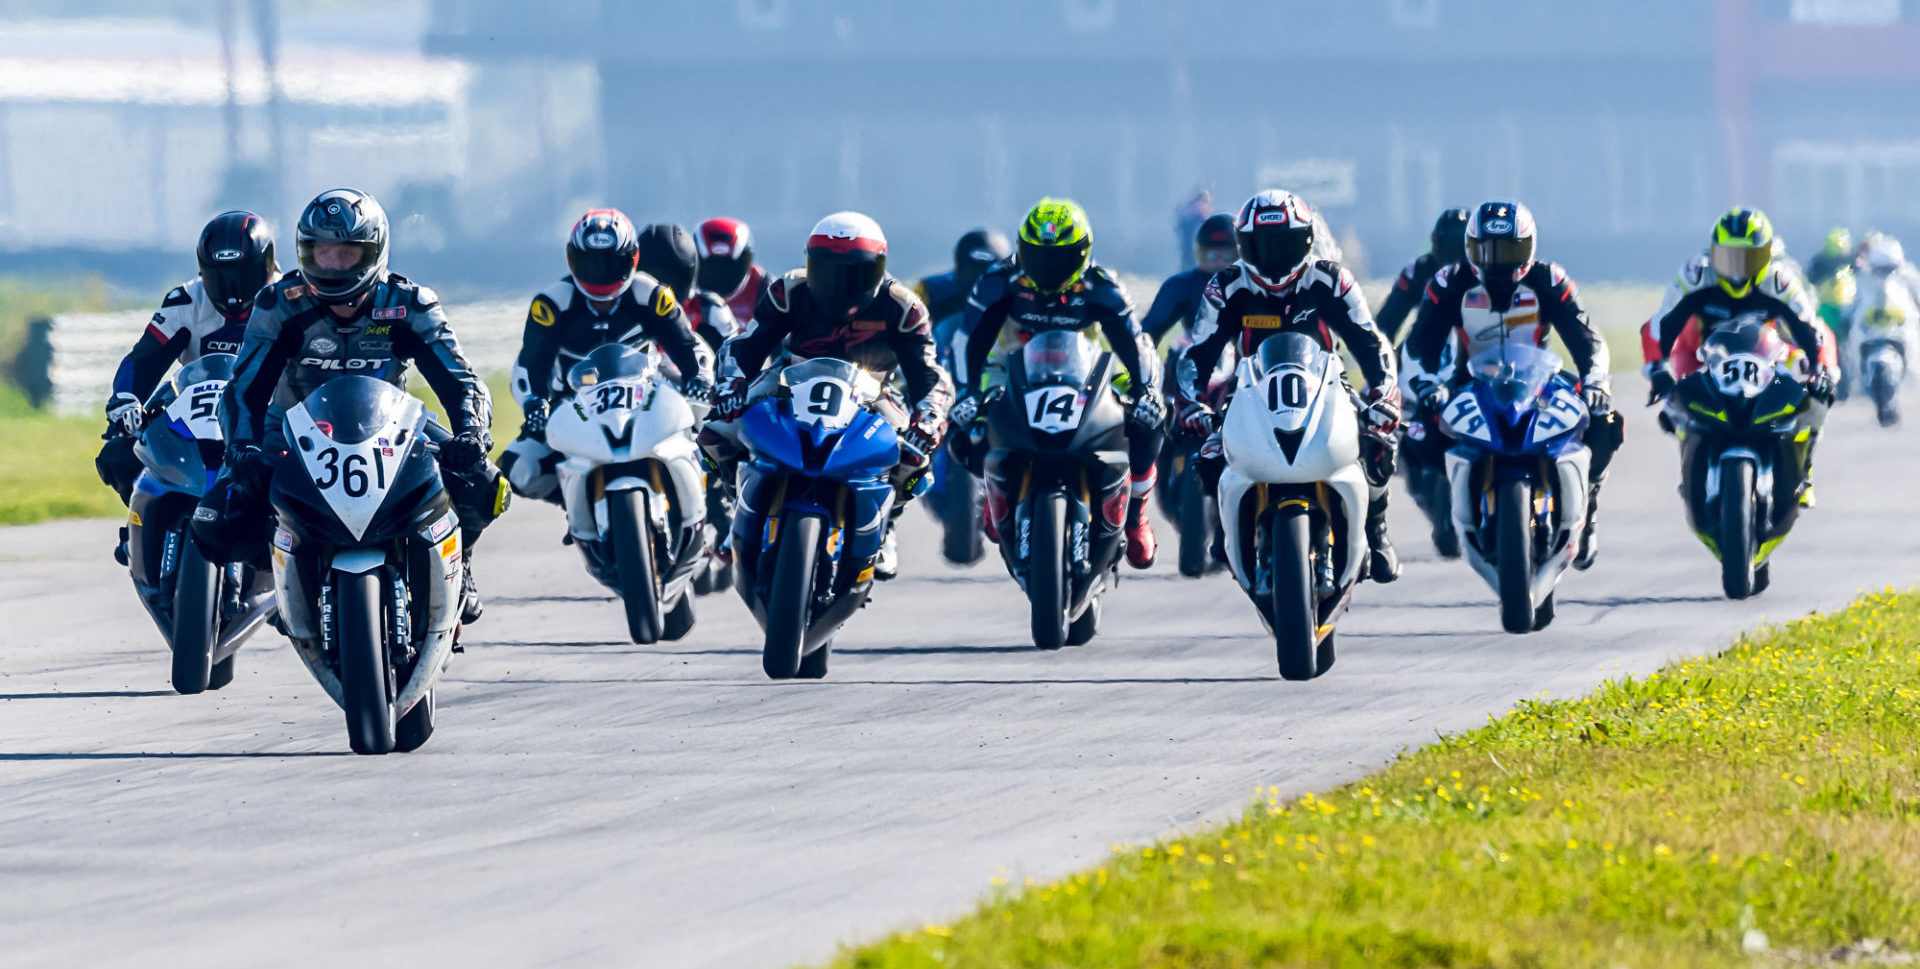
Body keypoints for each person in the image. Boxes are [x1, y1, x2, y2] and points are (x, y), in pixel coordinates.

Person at [189, 188, 505, 623]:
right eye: (322, 253)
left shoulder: (408, 304)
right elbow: (244, 389)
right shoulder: (279, 305)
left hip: (390, 423)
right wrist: (241, 447)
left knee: (485, 483)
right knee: (217, 515)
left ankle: (461, 561)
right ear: (304, 253)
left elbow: (459, 379)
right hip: (292, 427)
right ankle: (288, 573)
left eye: (346, 254)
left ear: (374, 252)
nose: (333, 265)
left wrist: (471, 431)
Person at [703, 211, 953, 581]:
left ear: (878, 268)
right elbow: (747, 346)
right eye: (828, 271)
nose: (839, 285)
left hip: (872, 391)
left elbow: (928, 374)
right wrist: (731, 386)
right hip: (790, 377)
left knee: (914, 459)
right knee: (714, 434)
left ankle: (885, 525)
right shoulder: (788, 291)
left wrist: (928, 419)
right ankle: (737, 502)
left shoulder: (903, 306)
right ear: (810, 265)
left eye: (853, 274)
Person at [1174, 189, 1404, 582]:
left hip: (1327, 384)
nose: (1274, 255)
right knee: (1210, 454)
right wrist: (1192, 404)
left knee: (1379, 440)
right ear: (1244, 245)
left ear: (1307, 241)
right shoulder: (1226, 287)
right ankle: (1228, 533)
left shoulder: (1331, 279)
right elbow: (1198, 354)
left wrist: (1383, 393)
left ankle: (1376, 531)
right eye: (1262, 245)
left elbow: (1370, 342)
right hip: (1249, 390)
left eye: (1284, 243)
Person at [951, 197, 1169, 568]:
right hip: (1010, 365)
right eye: (1038, 257)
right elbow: (967, 341)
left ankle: (1135, 516)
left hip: (1091, 366)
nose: (1048, 269)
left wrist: (1146, 390)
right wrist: (966, 393)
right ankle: (993, 491)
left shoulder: (1102, 284)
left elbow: (1135, 343)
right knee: (963, 426)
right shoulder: (998, 281)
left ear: (1083, 254)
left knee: (1151, 420)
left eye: (1060, 258)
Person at [1401, 201, 1618, 568]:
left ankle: (1590, 505)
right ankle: (1454, 505)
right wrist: (1426, 386)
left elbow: (1587, 339)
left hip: (1541, 382)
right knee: (1419, 434)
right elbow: (1418, 345)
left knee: (1605, 421)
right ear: (1470, 249)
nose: (1498, 262)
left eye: (1509, 251)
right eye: (1487, 251)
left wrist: (1595, 381)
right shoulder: (1448, 283)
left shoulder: (1551, 280)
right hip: (1468, 383)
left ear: (1529, 248)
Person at [498, 211, 713, 507]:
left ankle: (702, 505)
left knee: (711, 438)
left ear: (632, 260)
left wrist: (697, 379)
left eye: (611, 264)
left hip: (645, 401)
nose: (600, 274)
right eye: (590, 264)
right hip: (572, 408)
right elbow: (529, 366)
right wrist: (535, 403)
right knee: (518, 469)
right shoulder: (552, 303)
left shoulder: (649, 293)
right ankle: (577, 498)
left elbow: (687, 345)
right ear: (573, 260)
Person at [1643, 208, 1835, 505]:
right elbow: (1659, 326)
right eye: (1727, 257)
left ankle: (1803, 471)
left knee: (1817, 391)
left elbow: (1812, 331)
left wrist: (1820, 370)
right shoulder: (1696, 276)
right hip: (1708, 357)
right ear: (1713, 253)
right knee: (1671, 401)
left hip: (1768, 355)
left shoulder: (1780, 282)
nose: (1736, 270)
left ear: (1765, 258)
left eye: (1747, 259)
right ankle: (1692, 463)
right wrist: (1658, 367)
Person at [95, 211, 279, 516]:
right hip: (194, 405)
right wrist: (127, 400)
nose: (233, 290)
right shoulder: (186, 300)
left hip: (263, 411)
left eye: (242, 276)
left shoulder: (287, 298)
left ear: (267, 266)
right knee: (118, 454)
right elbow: (145, 359)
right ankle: (141, 526)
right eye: (220, 278)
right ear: (203, 271)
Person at [638, 222, 738, 357]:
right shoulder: (624, 308)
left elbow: (733, 364)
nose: (662, 291)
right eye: (655, 279)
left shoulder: (710, 310)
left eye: (674, 280)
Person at [1373, 207, 1470, 342]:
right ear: (1435, 241)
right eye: (1445, 247)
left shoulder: (1483, 274)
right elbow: (1385, 324)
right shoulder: (1418, 270)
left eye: (1458, 249)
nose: (1450, 257)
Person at [1140, 213, 1238, 345]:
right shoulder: (1181, 285)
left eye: (1227, 256)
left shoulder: (1256, 284)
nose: (1220, 263)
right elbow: (1147, 334)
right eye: (1212, 256)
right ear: (1200, 253)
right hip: (1196, 356)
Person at [696, 217, 766, 327]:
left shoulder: (764, 288)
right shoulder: (686, 289)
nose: (720, 276)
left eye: (728, 267)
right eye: (712, 267)